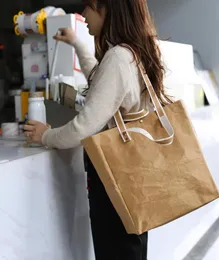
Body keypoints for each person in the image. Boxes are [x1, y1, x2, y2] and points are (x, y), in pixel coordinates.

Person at [24, 0, 170, 259]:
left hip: (115, 175)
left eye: (88, 6)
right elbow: (104, 85)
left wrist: (46, 135)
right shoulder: (133, 52)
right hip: (134, 171)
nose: (83, 14)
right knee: (130, 247)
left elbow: (84, 127)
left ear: (106, 8)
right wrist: (77, 44)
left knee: (117, 250)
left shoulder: (117, 58)